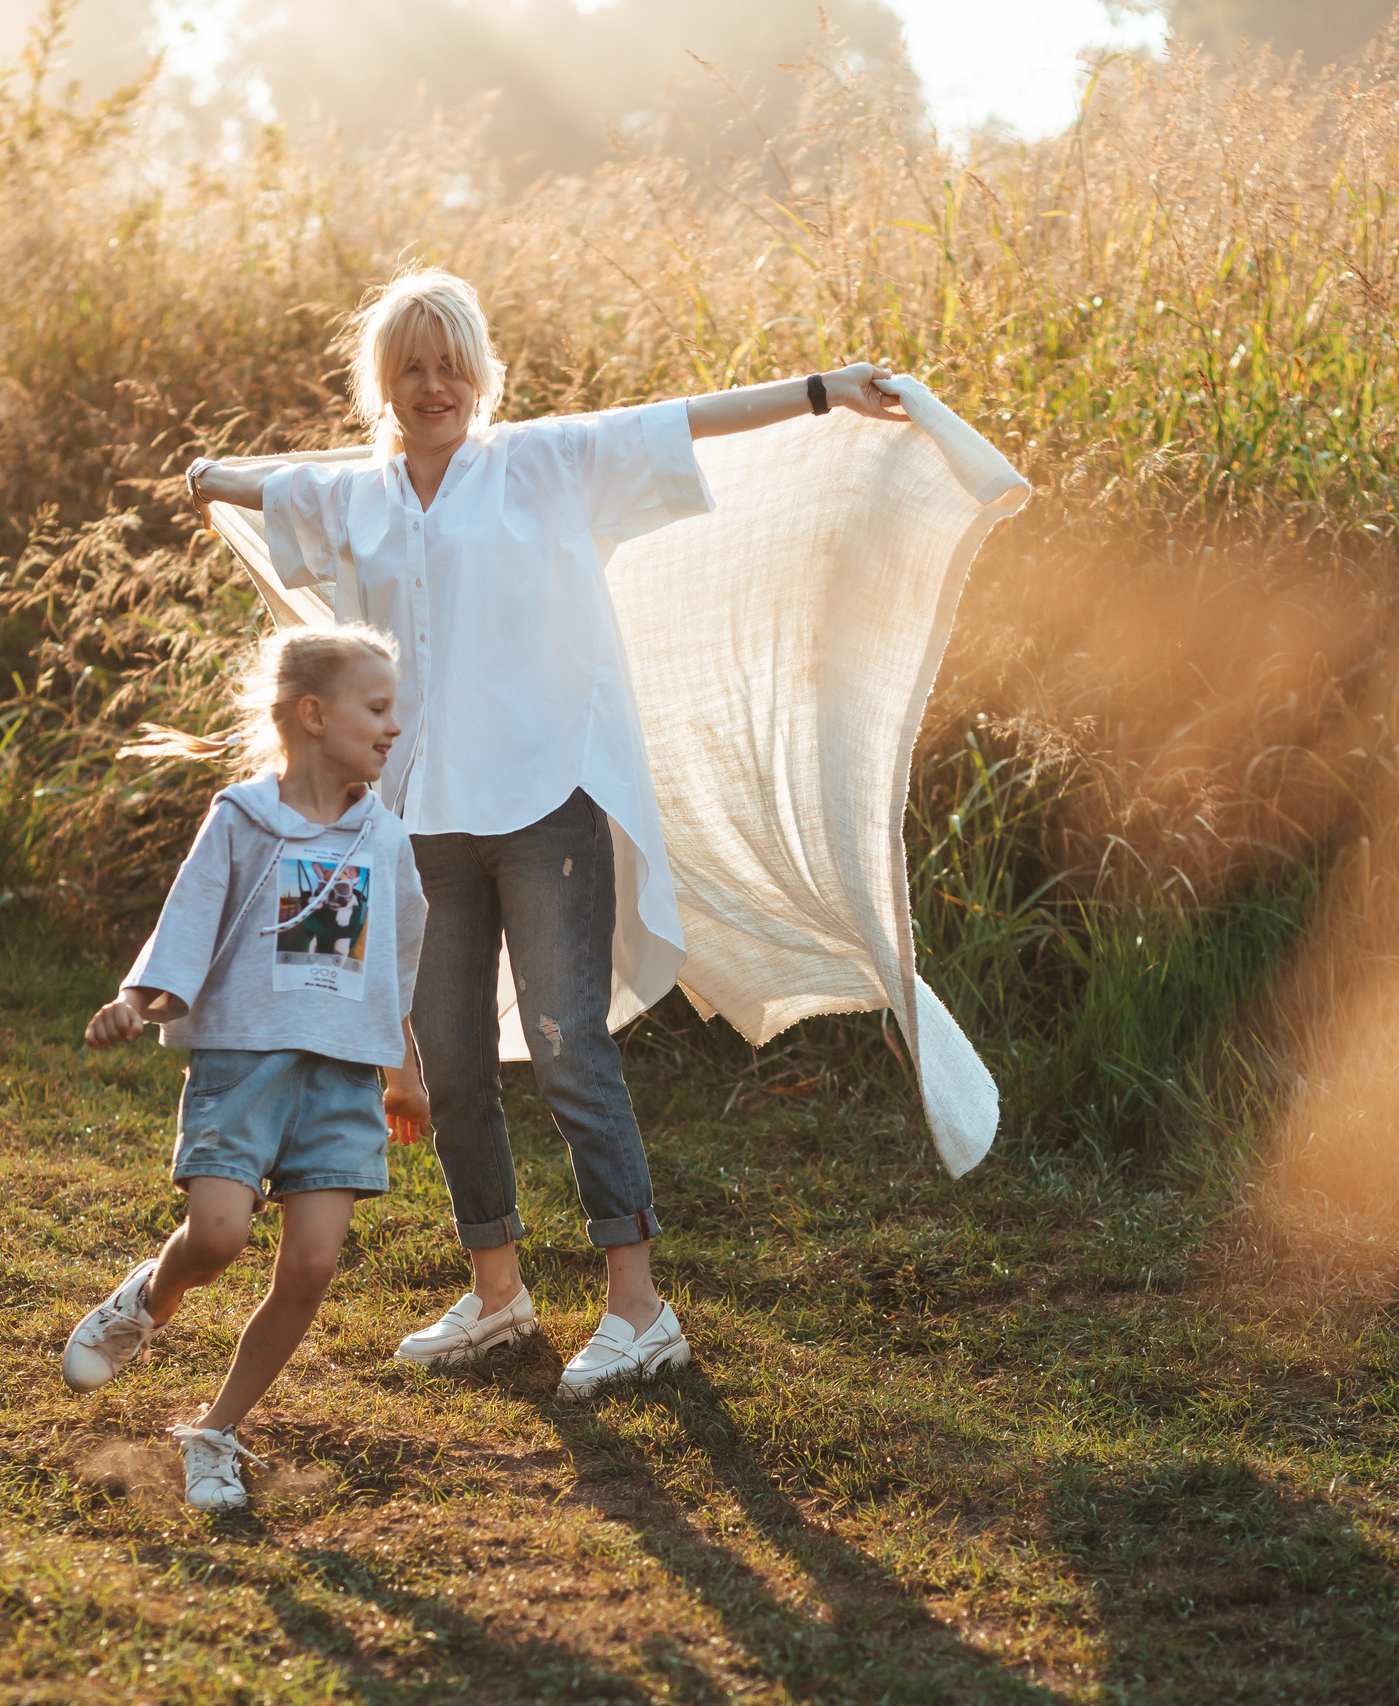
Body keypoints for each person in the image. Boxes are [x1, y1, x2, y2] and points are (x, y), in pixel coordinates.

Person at [185, 268, 907, 1399]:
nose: (435, 385)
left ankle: (638, 1304)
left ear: (482, 374)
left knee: (572, 1048)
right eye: (412, 368)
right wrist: (210, 474)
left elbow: (687, 421)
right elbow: (274, 488)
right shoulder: (359, 499)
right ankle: (496, 1291)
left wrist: (823, 392)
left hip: (544, 804)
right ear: (384, 386)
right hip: (420, 819)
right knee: (452, 1070)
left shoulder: (543, 463)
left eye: (452, 363)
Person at [63, 623, 430, 1512]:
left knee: (308, 1268)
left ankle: (215, 1433)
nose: (393, 728)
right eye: (377, 709)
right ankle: (146, 1300)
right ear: (313, 713)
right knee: (220, 1236)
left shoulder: (387, 840)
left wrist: (406, 1069)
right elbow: (186, 926)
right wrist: (136, 1002)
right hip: (243, 1064)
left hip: (343, 1078)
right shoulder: (241, 819)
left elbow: (395, 966)